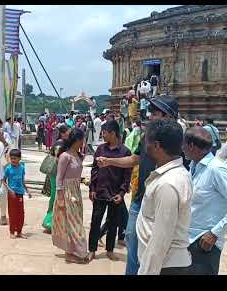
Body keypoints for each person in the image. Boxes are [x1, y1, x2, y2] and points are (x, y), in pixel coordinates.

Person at [96, 95, 180, 275]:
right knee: (132, 239)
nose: (150, 116)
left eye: (155, 113)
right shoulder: (147, 136)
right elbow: (135, 159)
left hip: (163, 201)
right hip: (140, 199)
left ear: (168, 116)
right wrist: (110, 161)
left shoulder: (178, 141)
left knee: (160, 248)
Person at [136, 119, 193, 275]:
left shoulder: (168, 184)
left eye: (145, 140)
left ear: (156, 146)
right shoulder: (172, 175)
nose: (144, 145)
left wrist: (146, 272)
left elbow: (161, 239)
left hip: (164, 266)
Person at [183, 127, 227, 275]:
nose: (182, 148)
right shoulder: (193, 166)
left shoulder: (216, 169)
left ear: (191, 146)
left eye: (184, 145)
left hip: (206, 243)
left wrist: (215, 233)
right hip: (189, 240)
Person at [88, 120, 132, 262]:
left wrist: (121, 193)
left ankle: (110, 250)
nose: (103, 135)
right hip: (100, 191)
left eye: (104, 133)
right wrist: (92, 188)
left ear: (113, 133)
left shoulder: (125, 152)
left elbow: (127, 176)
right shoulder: (100, 149)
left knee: (113, 223)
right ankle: (92, 250)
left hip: (115, 194)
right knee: (95, 221)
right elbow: (94, 170)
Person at [52, 128, 90, 264]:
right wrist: (61, 196)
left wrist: (82, 180)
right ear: (77, 140)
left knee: (74, 222)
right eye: (82, 140)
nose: (83, 142)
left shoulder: (78, 155)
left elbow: (74, 175)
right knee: (74, 224)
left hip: (76, 191)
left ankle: (71, 252)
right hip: (67, 193)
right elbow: (59, 177)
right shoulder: (65, 156)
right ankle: (80, 253)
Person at [42, 125, 70, 234]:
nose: (70, 134)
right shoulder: (60, 144)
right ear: (63, 133)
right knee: (55, 196)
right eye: (68, 132)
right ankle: (49, 220)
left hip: (58, 174)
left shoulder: (63, 143)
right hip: (56, 174)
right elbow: (59, 159)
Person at [3, 149, 32, 239]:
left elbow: (22, 181)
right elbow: (3, 181)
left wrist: (27, 191)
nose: (13, 160)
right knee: (12, 213)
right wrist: (10, 190)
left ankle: (19, 231)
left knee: (20, 213)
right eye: (11, 158)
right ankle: (12, 231)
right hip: (12, 194)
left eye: (15, 158)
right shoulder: (8, 168)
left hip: (20, 194)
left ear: (19, 158)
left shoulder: (22, 168)